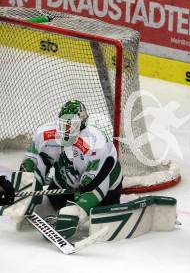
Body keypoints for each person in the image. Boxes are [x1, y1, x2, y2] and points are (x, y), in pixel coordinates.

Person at [19, 99, 123, 239]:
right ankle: (62, 206)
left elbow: (96, 185)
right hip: (65, 183)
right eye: (64, 123)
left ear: (82, 123)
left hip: (103, 185)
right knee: (52, 200)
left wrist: (77, 210)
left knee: (99, 210)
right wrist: (28, 185)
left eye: (71, 124)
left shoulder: (96, 142)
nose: (66, 129)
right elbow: (34, 162)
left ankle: (80, 211)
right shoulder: (45, 135)